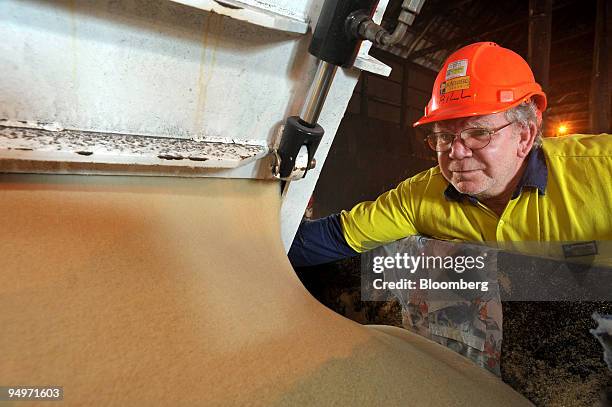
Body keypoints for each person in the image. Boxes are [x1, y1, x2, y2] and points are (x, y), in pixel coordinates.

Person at [289, 41, 612, 268]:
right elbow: (331, 238)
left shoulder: (603, 172)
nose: (455, 152)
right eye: (444, 136)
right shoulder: (420, 196)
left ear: (524, 135)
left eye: (478, 133)